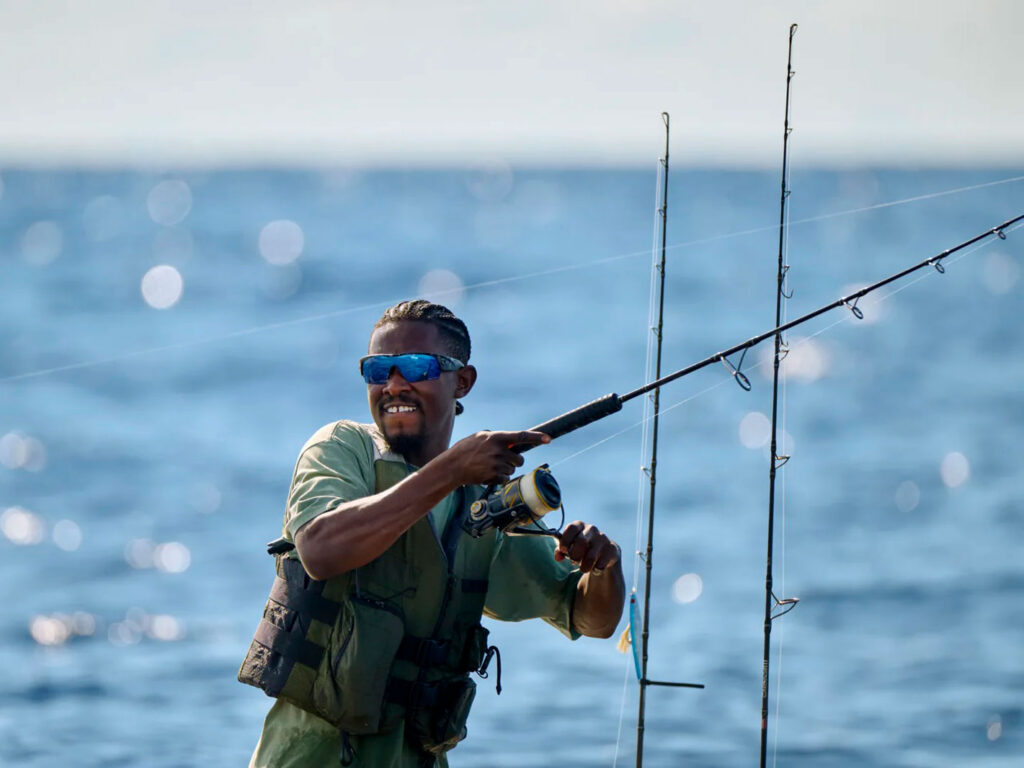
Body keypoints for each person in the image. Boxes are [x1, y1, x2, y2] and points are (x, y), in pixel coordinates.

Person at [240, 300, 625, 767]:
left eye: (417, 367)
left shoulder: (483, 500)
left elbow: (589, 618)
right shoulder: (341, 447)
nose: (394, 384)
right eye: (379, 369)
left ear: (462, 381)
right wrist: (452, 470)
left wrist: (604, 566)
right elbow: (322, 548)